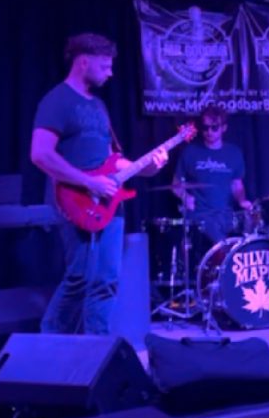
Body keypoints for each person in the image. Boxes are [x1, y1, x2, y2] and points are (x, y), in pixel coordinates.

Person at [31, 33, 168, 334]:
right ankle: (49, 341)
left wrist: (146, 167)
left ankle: (97, 348)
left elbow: (111, 160)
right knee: (79, 277)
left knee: (106, 280)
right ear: (83, 62)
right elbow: (40, 154)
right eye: (105, 66)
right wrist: (88, 183)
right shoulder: (57, 101)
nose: (111, 73)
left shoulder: (99, 106)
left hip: (109, 202)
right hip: (74, 200)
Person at [171, 104, 252, 245]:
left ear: (224, 128)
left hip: (226, 216)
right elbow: (176, 185)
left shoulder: (234, 153)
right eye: (205, 127)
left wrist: (242, 201)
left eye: (214, 127)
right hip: (200, 217)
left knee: (251, 230)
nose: (209, 132)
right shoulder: (190, 152)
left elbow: (237, 184)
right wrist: (185, 197)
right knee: (218, 239)